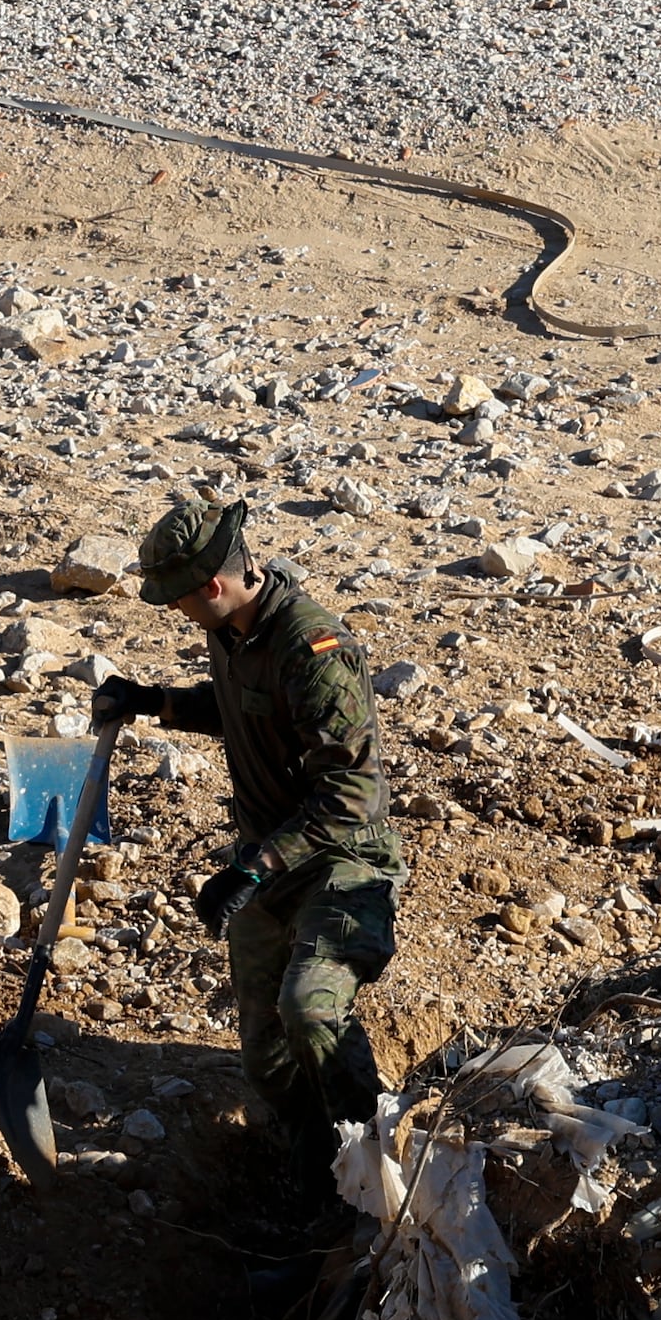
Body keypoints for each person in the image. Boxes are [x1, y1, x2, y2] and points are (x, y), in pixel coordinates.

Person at [92, 495, 400, 1203]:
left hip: (341, 861)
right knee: (266, 1054)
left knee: (311, 1009)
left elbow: (350, 797)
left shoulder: (316, 650)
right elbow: (238, 707)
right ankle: (315, 1175)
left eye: (179, 601)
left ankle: (377, 1166)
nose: (177, 614)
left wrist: (251, 867)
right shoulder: (230, 630)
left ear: (213, 586)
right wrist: (154, 701)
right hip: (271, 862)